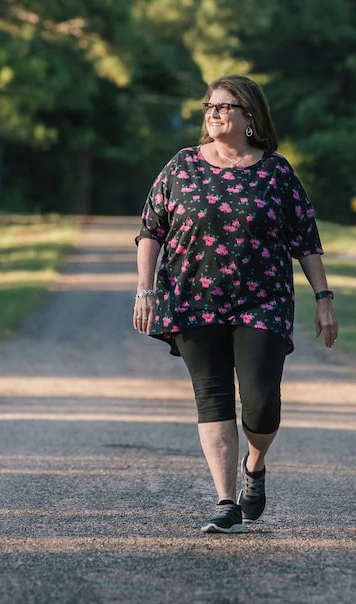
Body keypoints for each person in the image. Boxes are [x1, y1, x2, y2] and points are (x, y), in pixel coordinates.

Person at [134, 74, 338, 534]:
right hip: (192, 298)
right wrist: (145, 290)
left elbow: (305, 240)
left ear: (250, 117)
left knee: (261, 406)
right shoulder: (182, 166)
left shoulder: (276, 171)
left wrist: (324, 298)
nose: (214, 113)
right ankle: (226, 501)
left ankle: (255, 465)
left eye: (225, 107)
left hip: (262, 300)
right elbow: (151, 230)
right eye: (210, 106)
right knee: (213, 400)